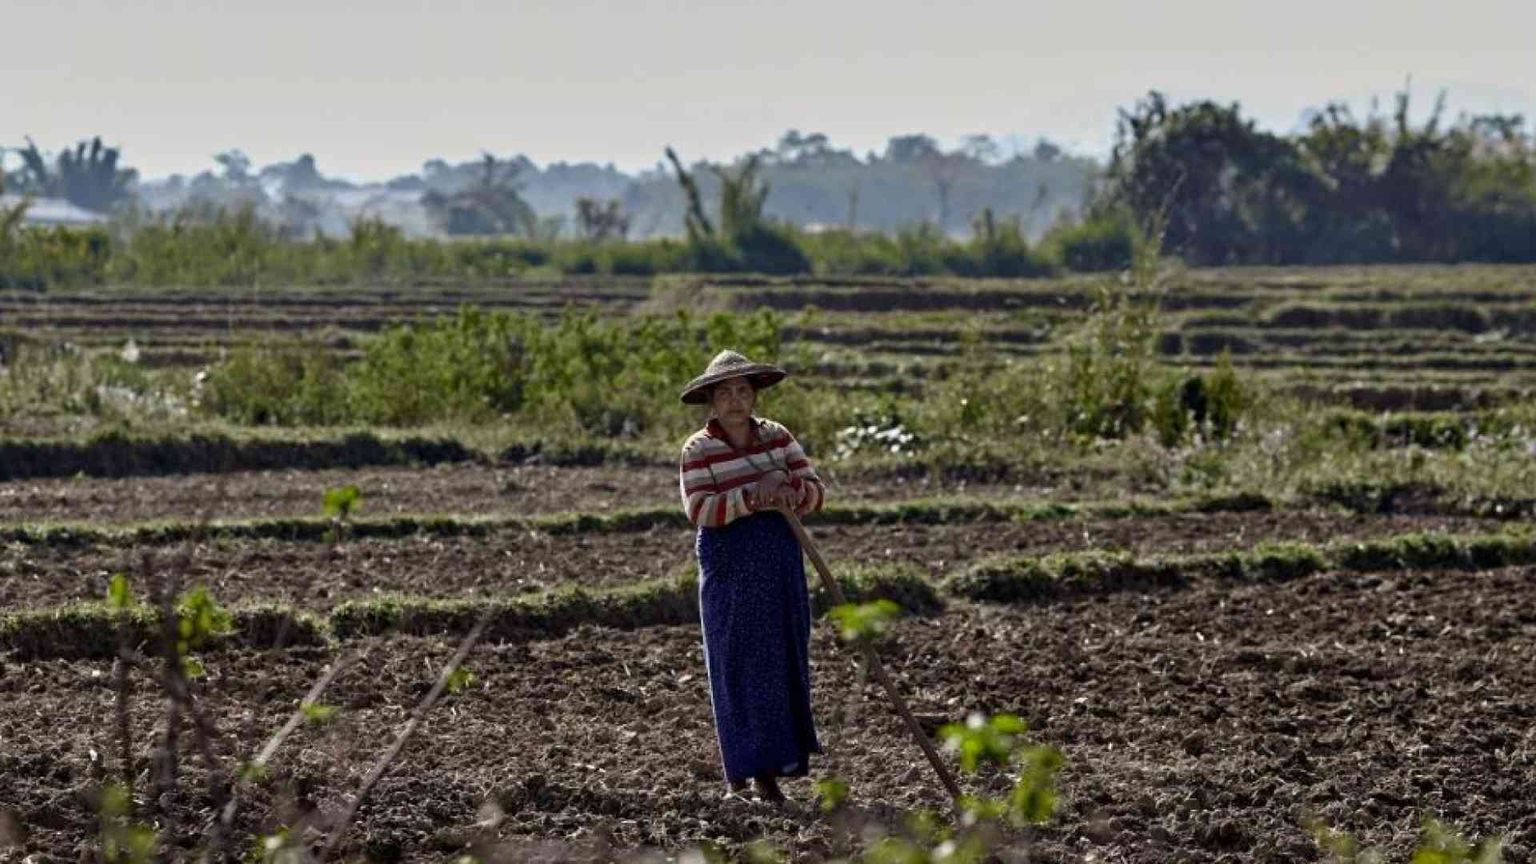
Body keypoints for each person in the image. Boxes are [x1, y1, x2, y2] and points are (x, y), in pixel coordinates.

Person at [678, 349, 826, 804]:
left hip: (779, 559)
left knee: (780, 660)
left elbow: (816, 494)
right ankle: (743, 775)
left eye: (743, 391)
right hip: (730, 563)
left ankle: (773, 770)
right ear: (711, 400)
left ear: (755, 395)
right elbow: (699, 509)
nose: (735, 400)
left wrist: (788, 490)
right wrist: (753, 495)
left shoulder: (778, 438)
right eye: (725, 393)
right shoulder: (697, 449)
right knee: (735, 662)